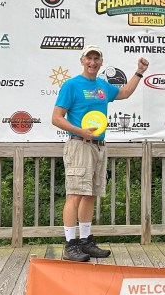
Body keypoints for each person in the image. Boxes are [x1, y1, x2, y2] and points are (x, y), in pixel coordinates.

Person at [51, 45, 149, 261]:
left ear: (101, 62)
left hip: (99, 146)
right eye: (89, 58)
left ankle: (85, 241)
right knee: (75, 194)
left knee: (90, 194)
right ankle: (70, 245)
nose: (92, 62)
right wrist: (81, 131)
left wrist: (139, 72)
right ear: (82, 61)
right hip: (79, 144)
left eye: (96, 59)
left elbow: (124, 93)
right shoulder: (71, 85)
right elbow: (56, 118)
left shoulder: (103, 85)